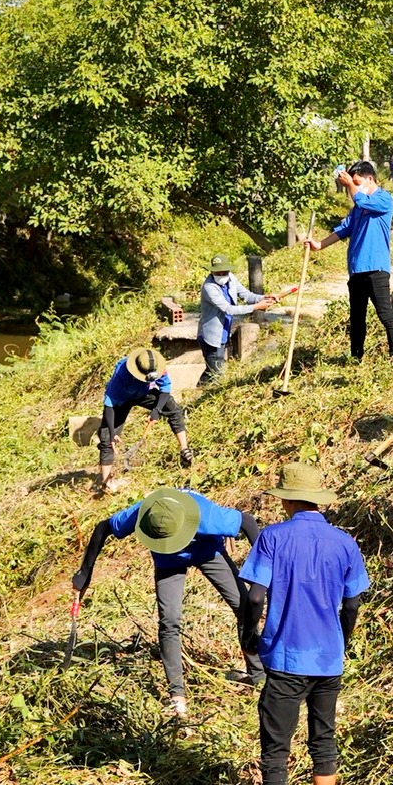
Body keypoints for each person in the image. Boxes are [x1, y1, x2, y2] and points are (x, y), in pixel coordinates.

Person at [237, 463, 370, 785]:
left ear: (288, 500)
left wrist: (249, 635)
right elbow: (352, 603)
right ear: (318, 501)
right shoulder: (344, 542)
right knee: (323, 740)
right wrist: (341, 639)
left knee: (276, 749)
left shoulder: (273, 538)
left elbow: (255, 596)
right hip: (328, 661)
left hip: (286, 659)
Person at [72, 486, 265, 719]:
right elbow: (104, 527)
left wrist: (262, 571)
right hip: (169, 560)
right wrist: (85, 573)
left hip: (207, 551)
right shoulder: (145, 512)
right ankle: (177, 696)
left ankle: (258, 675)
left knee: (244, 607)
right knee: (169, 621)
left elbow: (246, 521)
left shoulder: (205, 514)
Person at [305, 160, 393, 362]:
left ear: (369, 179)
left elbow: (363, 201)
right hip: (356, 268)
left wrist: (350, 185)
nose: (353, 187)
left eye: (357, 182)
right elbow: (343, 230)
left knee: (385, 314)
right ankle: (356, 357)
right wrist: (319, 245)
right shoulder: (357, 209)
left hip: (376, 267)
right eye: (352, 183)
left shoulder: (384, 199)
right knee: (356, 318)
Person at [98, 346, 191, 492]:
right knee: (107, 437)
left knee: (172, 408)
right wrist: (112, 433)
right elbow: (109, 404)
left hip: (143, 393)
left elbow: (165, 389)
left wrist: (157, 410)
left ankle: (184, 449)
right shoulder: (121, 373)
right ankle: (106, 483)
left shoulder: (158, 367)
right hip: (121, 399)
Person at [198, 255, 276, 385]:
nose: (221, 275)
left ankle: (199, 389)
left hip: (224, 332)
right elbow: (228, 309)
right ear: (211, 271)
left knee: (213, 370)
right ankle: (201, 390)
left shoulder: (231, 279)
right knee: (216, 372)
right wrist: (256, 307)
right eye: (217, 273)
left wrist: (264, 297)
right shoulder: (209, 287)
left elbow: (246, 295)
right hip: (211, 336)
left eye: (224, 272)